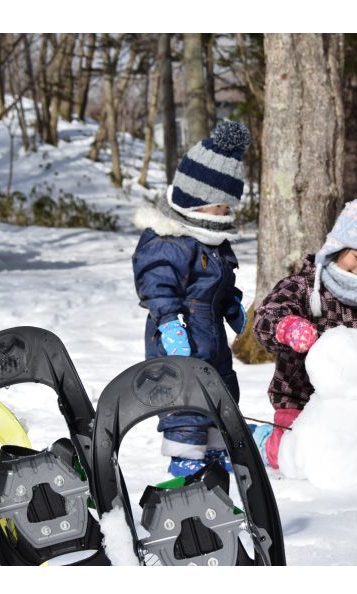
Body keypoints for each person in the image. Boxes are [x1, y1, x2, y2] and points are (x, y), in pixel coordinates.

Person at [251, 185, 357, 469]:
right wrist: (287, 327)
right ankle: (262, 441)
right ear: (337, 248)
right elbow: (265, 317)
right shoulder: (304, 286)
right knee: (296, 458)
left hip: (356, 408)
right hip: (299, 399)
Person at [132, 120, 250, 477]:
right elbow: (156, 284)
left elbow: (219, 282)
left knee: (221, 390)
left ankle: (215, 447)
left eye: (226, 209)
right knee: (185, 395)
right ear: (193, 201)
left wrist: (231, 305)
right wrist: (169, 323)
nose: (223, 216)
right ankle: (185, 454)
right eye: (216, 209)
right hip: (179, 338)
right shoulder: (170, 241)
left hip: (211, 336)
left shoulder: (213, 244)